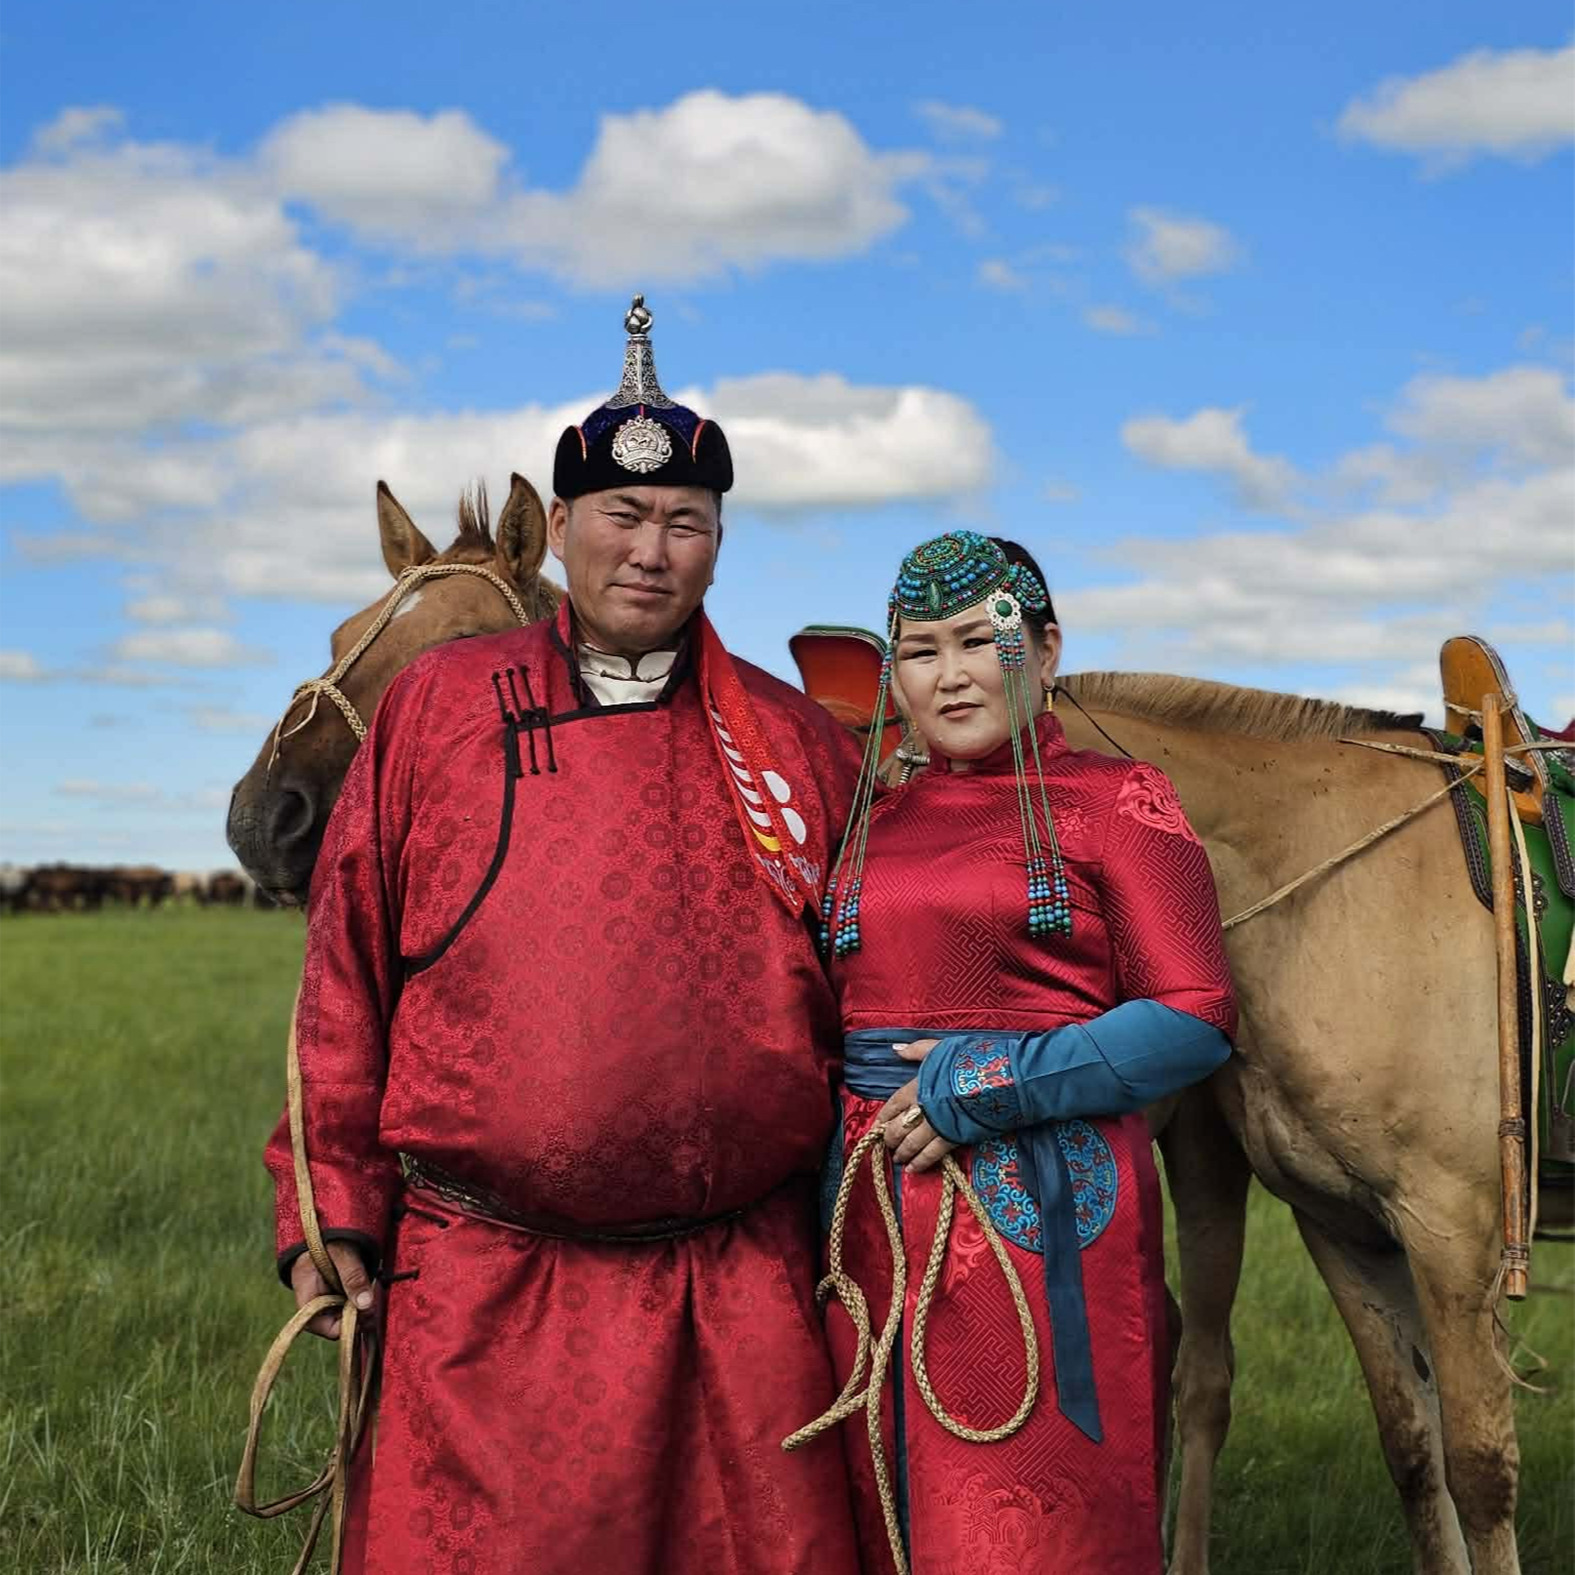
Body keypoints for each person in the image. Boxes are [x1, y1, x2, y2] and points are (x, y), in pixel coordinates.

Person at [264, 298, 865, 1574]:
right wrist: (331, 1215)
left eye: (684, 521)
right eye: (622, 517)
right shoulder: (436, 713)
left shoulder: (801, 748)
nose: (651, 550)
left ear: (716, 542)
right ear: (570, 527)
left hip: (738, 1297)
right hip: (484, 1301)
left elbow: (877, 997)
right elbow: (344, 978)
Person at [798, 530, 1237, 1573]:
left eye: (977, 642)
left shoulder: (1121, 800)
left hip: (1041, 1210)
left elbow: (1195, 1013)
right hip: (862, 1213)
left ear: (1043, 654)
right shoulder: (867, 819)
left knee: (1027, 1525)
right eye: (918, 650)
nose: (949, 675)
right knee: (875, 1503)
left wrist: (984, 1084)